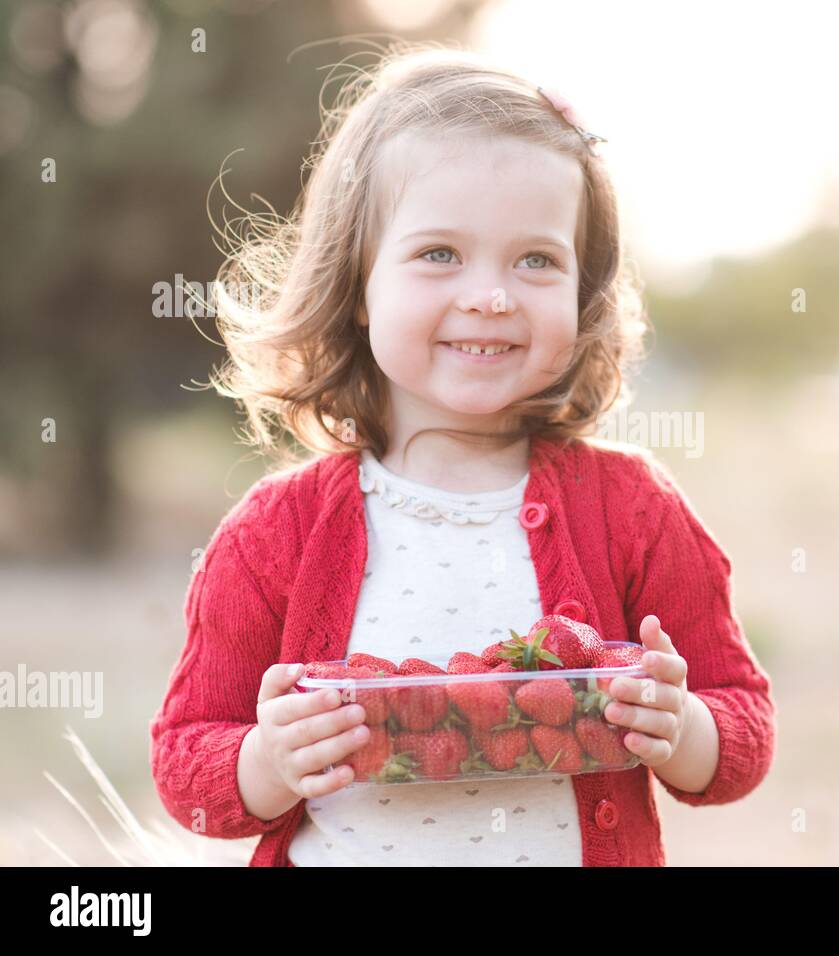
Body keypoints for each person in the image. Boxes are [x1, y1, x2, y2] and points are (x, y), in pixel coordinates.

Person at [149, 44, 776, 866]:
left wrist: (679, 725)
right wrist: (266, 763)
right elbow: (185, 772)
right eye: (439, 253)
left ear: (584, 295)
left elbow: (743, 732)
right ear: (358, 284)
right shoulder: (277, 531)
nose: (491, 294)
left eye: (537, 260)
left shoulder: (632, 507)